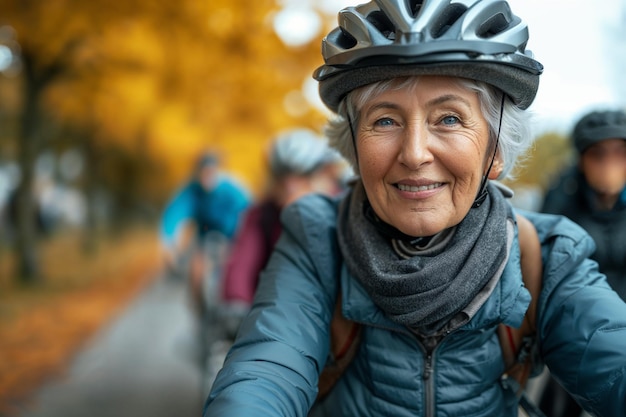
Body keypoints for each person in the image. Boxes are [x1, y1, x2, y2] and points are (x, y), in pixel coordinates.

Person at [203, 1, 626, 416]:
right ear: (354, 148)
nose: (415, 153)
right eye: (385, 121)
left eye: (449, 119)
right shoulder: (316, 238)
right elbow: (266, 369)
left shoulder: (548, 255)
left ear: (495, 152)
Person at [538, 109, 626, 417]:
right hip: (578, 324)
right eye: (598, 154)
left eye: (620, 153)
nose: (609, 164)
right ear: (581, 160)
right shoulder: (562, 200)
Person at [220, 128, 348, 327]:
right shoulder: (262, 214)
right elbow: (243, 259)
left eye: (302, 176)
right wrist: (236, 300)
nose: (291, 186)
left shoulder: (343, 210)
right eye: (283, 177)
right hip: (274, 313)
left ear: (321, 175)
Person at [159, 151, 250, 314]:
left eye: (211, 172)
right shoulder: (192, 191)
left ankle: (237, 309)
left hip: (232, 237)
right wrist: (169, 243)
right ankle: (201, 315)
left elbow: (249, 212)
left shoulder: (232, 190)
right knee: (196, 270)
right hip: (205, 238)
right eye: (203, 172)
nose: (206, 177)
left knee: (234, 271)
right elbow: (174, 214)